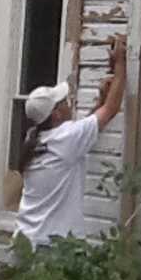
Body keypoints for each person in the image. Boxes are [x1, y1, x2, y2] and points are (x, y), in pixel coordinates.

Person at [14, 34, 127, 248]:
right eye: (63, 102)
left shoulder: (34, 137)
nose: (68, 103)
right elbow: (110, 111)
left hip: (25, 241)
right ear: (56, 114)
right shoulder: (65, 139)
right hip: (55, 247)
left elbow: (84, 129)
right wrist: (121, 63)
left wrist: (101, 99)